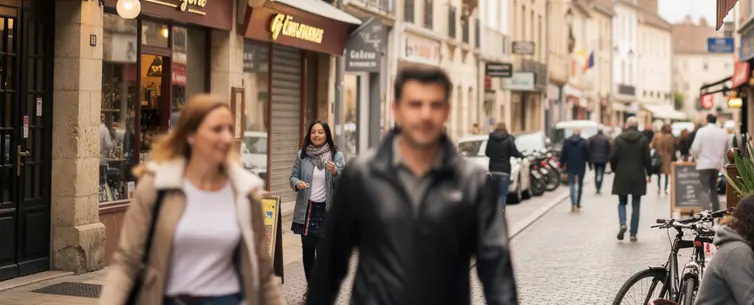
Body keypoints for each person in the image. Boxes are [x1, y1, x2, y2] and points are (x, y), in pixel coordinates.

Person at [307, 65, 517, 305]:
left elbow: (497, 273)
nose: (425, 115)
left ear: (447, 111)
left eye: (435, 105)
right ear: (397, 109)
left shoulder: (474, 184)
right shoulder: (362, 177)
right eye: (415, 104)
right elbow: (329, 268)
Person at [99, 94, 281, 305]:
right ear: (190, 135)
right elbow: (126, 262)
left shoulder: (245, 191)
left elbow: (264, 274)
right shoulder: (158, 186)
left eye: (230, 129)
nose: (227, 138)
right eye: (217, 129)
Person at [289, 121, 345, 286]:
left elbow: (344, 181)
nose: (317, 135)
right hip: (307, 209)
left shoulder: (336, 156)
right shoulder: (302, 155)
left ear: (326, 135)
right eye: (313, 132)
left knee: (323, 253)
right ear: (309, 134)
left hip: (327, 210)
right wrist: (297, 183)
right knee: (307, 250)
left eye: (320, 132)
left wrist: (335, 172)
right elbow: (293, 176)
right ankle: (311, 286)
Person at [610, 117, 651, 242]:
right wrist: (649, 173)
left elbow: (612, 157)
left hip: (622, 174)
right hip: (638, 174)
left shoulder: (619, 139)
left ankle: (623, 223)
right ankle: (633, 233)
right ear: (637, 126)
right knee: (636, 204)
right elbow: (647, 159)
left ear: (627, 125)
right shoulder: (643, 139)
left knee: (622, 202)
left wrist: (615, 169)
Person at [690, 113, 732, 211]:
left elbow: (695, 148)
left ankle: (706, 212)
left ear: (707, 120)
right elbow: (727, 148)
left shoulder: (702, 131)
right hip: (716, 165)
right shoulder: (722, 132)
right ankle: (716, 211)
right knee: (713, 188)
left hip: (703, 164)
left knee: (704, 188)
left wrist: (696, 158)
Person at [485, 121, 523, 213]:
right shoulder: (509, 138)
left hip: (493, 170)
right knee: (502, 194)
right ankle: (501, 213)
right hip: (504, 170)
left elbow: (487, 153)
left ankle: (493, 212)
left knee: (494, 194)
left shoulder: (491, 138)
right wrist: (520, 155)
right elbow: (514, 152)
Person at [559, 127, 589, 211]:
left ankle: (573, 204)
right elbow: (587, 154)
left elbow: (563, 154)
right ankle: (578, 203)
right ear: (579, 133)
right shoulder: (583, 142)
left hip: (570, 165)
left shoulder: (567, 142)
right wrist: (589, 163)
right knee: (580, 184)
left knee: (572, 184)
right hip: (581, 165)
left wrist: (562, 164)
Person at [651, 123, 676, 195]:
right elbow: (671, 148)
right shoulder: (670, 137)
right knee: (666, 173)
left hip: (659, 156)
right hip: (667, 157)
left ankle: (659, 188)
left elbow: (652, 145)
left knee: (659, 173)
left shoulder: (657, 135)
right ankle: (665, 188)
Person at [587, 126, 612, 193]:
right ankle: (599, 186)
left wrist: (590, 160)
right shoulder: (606, 139)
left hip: (594, 159)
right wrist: (608, 159)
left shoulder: (592, 138)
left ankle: (597, 187)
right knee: (601, 173)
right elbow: (608, 150)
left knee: (596, 173)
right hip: (603, 159)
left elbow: (589, 149)